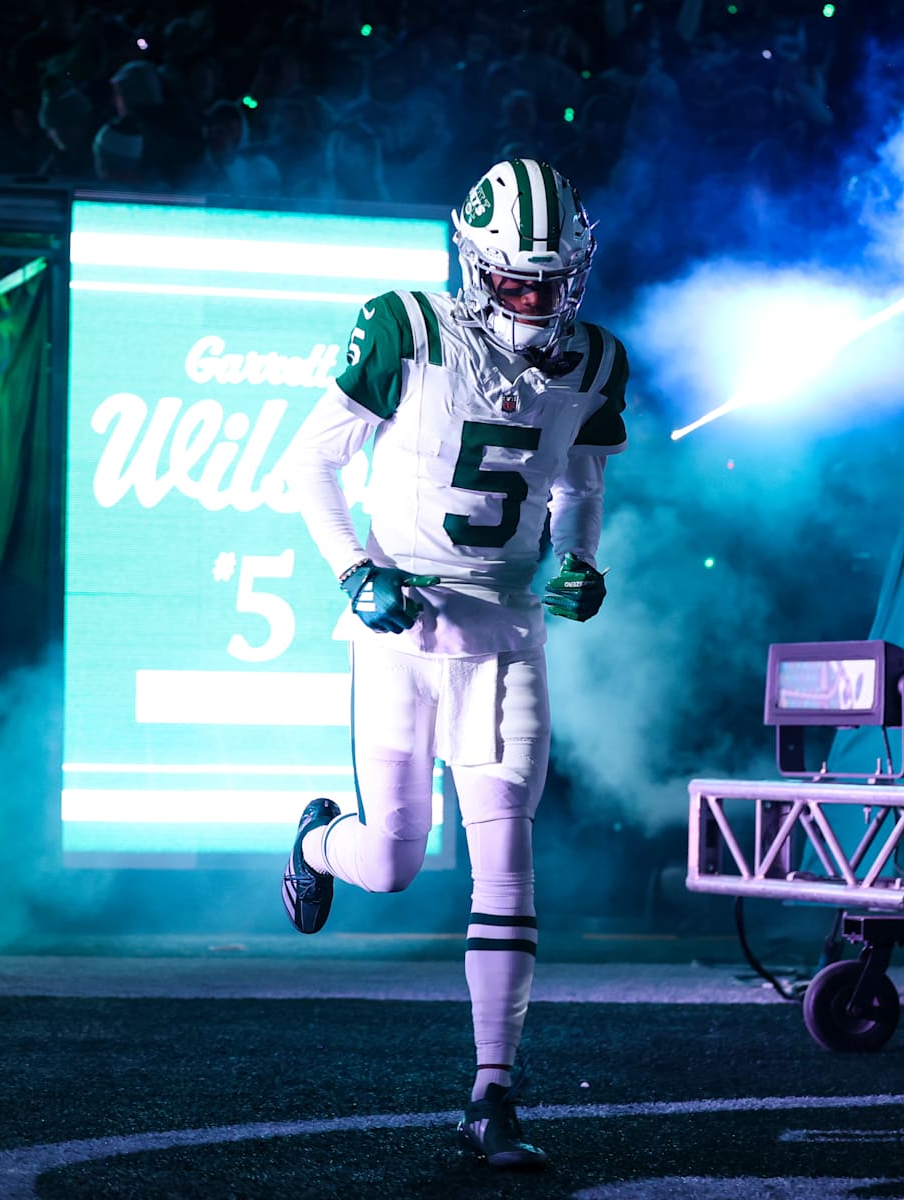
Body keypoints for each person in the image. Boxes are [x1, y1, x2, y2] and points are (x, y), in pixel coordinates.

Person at [277, 158, 627, 1171]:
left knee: (506, 856)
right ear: (475, 270)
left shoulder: (595, 361)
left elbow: (581, 484)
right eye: (520, 282)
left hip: (509, 630)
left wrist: (581, 563)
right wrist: (355, 570)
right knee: (390, 861)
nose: (540, 300)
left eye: (556, 281)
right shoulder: (407, 326)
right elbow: (311, 460)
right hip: (406, 624)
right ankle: (314, 846)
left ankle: (493, 1094)